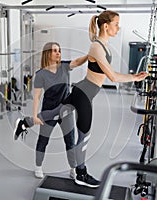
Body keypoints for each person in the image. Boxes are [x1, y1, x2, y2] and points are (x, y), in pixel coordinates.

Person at [15, 10, 148, 188]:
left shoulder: (103, 45)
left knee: (56, 113)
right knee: (84, 136)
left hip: (82, 91)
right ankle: (81, 173)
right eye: (116, 24)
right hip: (84, 94)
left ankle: (25, 122)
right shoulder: (96, 47)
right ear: (106, 26)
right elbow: (113, 77)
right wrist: (135, 78)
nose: (118, 27)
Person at [13, 42, 88, 179]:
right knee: (43, 140)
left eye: (59, 50)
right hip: (48, 110)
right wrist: (35, 116)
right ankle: (38, 167)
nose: (58, 53)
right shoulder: (41, 74)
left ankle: (73, 168)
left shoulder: (65, 67)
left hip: (66, 112)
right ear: (47, 53)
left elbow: (77, 62)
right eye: (54, 50)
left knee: (70, 142)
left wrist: (90, 55)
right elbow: (37, 97)